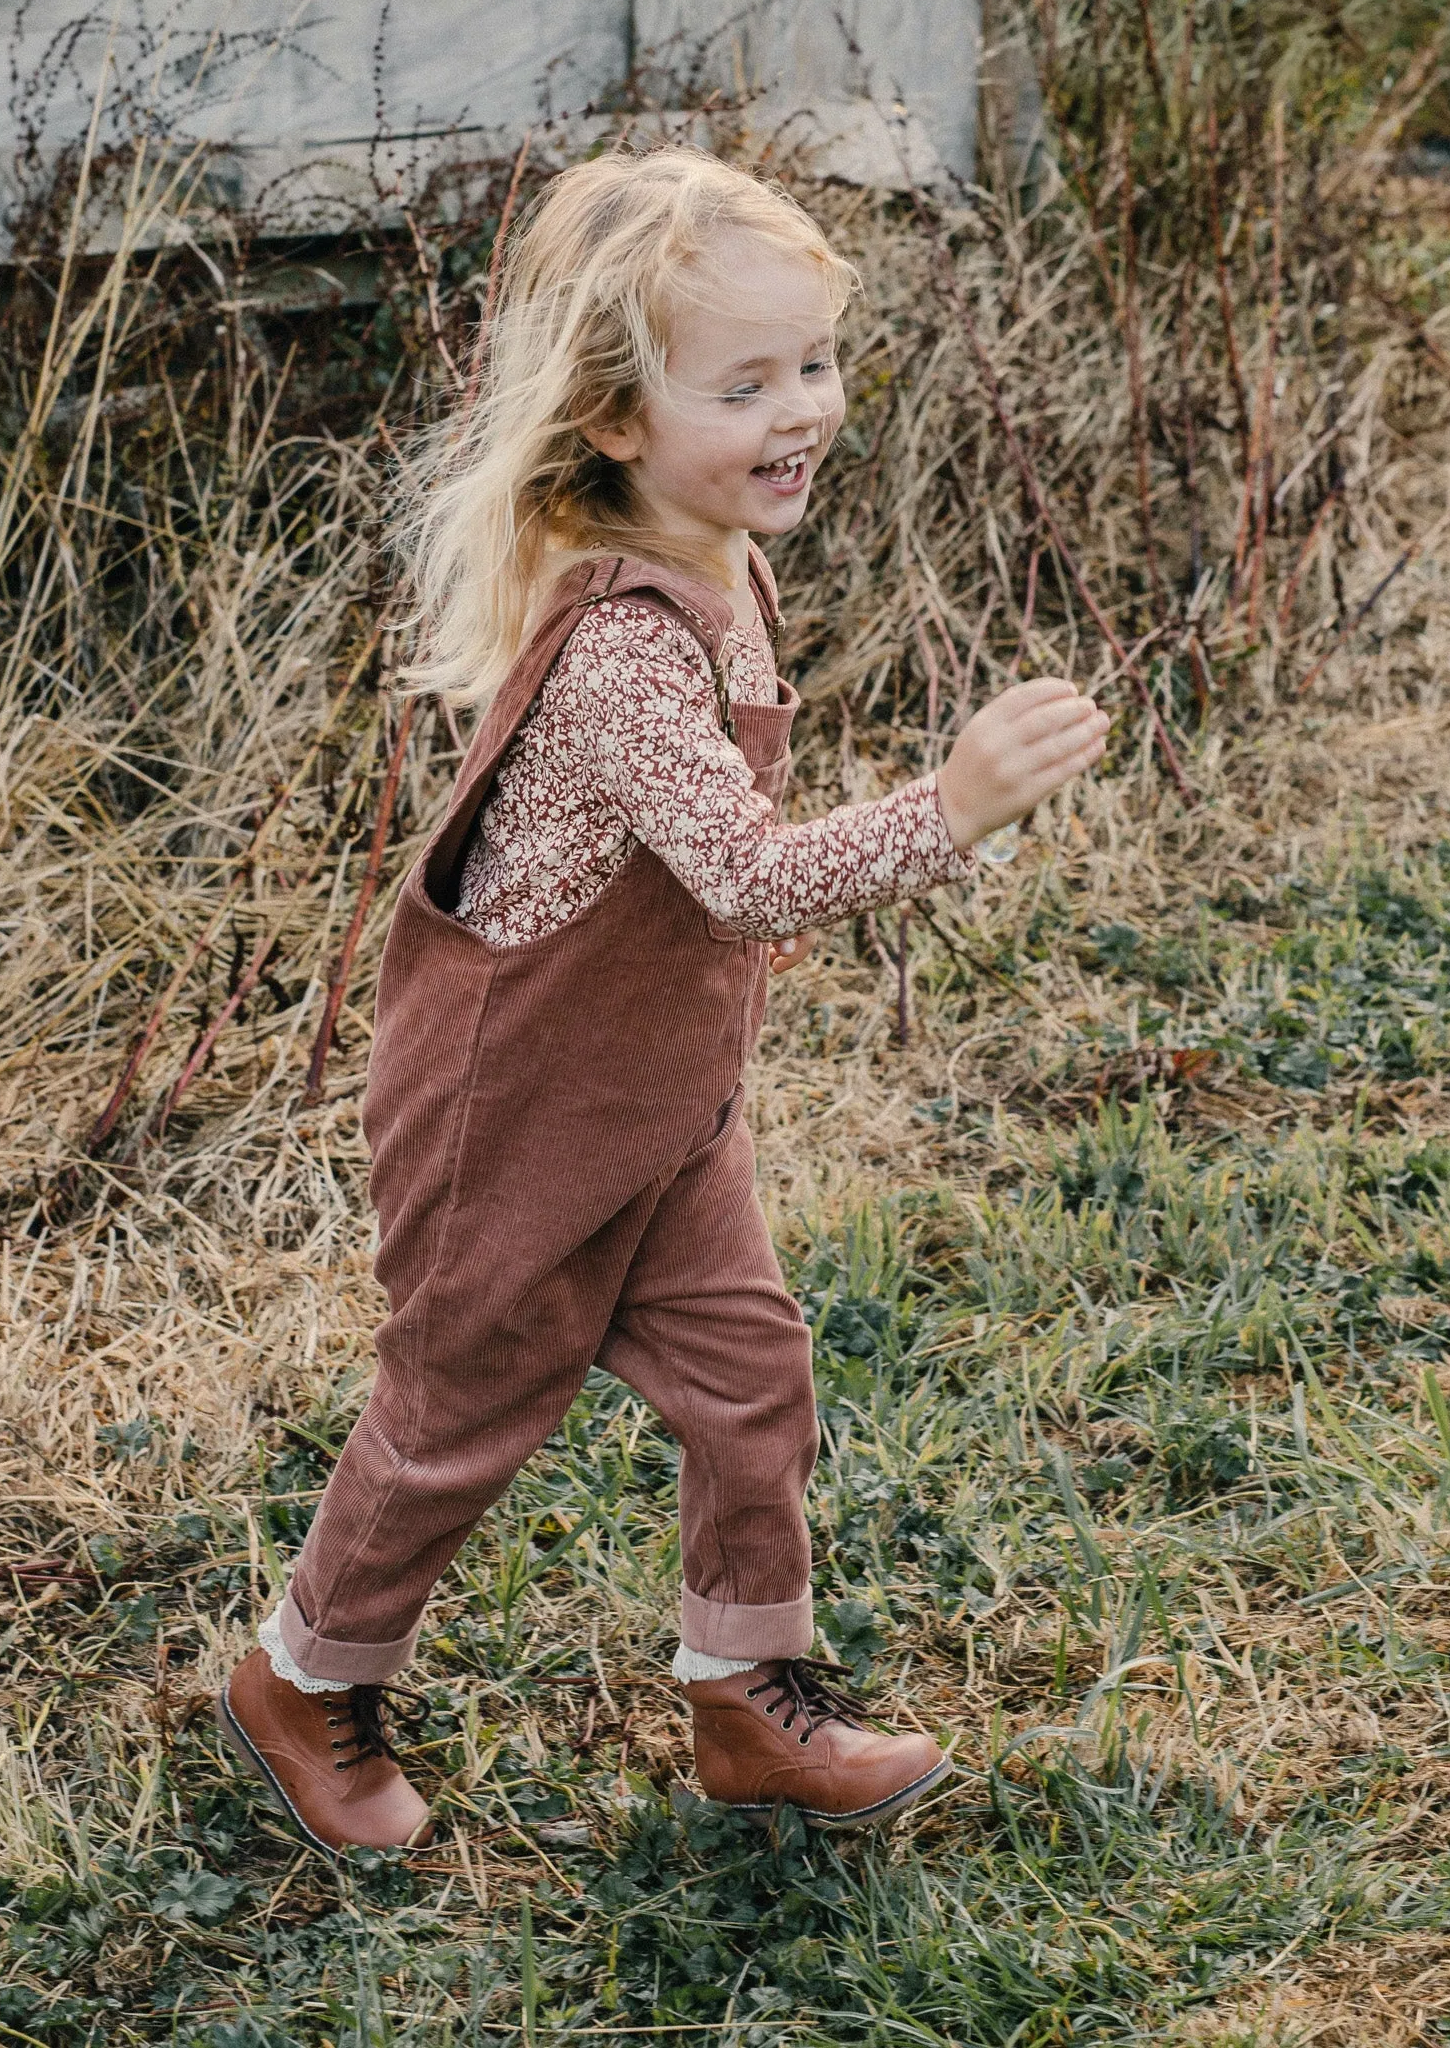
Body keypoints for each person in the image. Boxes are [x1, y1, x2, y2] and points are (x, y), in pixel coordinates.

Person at [220, 147, 1109, 1854]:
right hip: (522, 1109)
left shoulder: (721, 567)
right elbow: (750, 879)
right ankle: (302, 1682)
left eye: (816, 365)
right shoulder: (625, 644)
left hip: (660, 1101)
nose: (802, 410)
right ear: (616, 418)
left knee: (753, 1375)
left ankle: (744, 1698)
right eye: (746, 383)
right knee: (457, 1417)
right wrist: (959, 802)